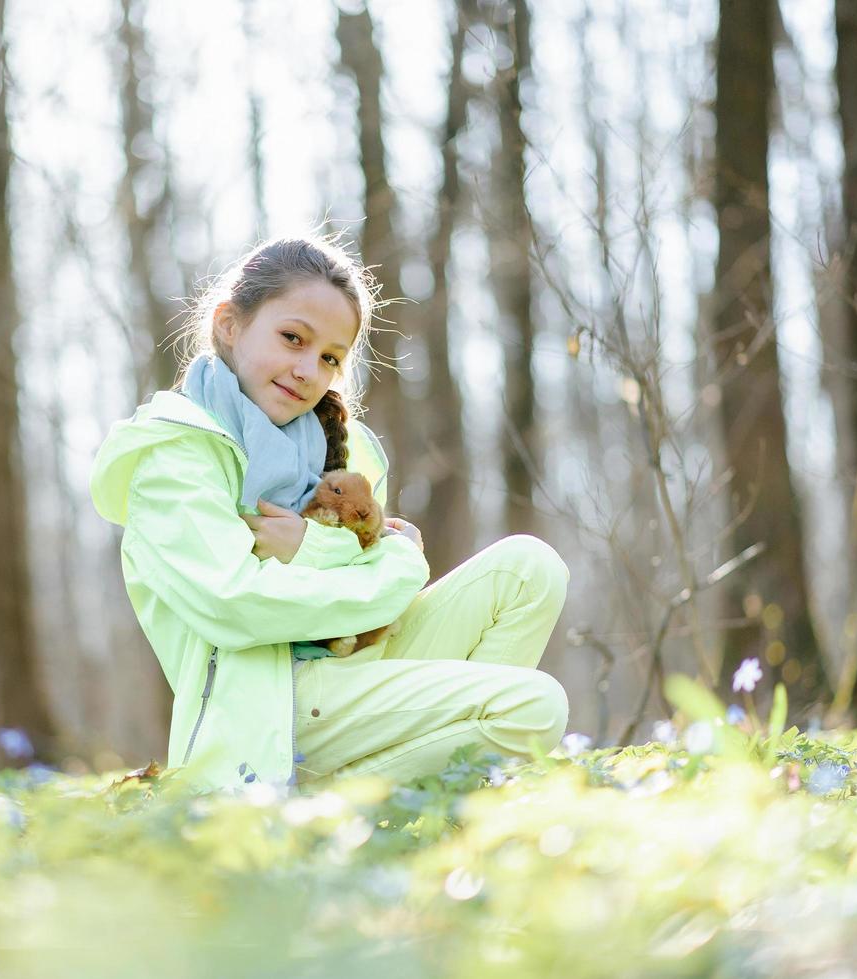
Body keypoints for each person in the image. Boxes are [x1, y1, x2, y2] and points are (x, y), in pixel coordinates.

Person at [89, 236, 569, 793]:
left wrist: (319, 550)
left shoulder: (337, 447)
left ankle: (458, 780)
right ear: (229, 325)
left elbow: (364, 553)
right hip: (274, 701)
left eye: (330, 358)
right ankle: (317, 801)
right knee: (534, 707)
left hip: (359, 659)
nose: (307, 369)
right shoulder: (175, 454)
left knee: (529, 567)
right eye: (292, 338)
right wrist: (393, 570)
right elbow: (237, 605)